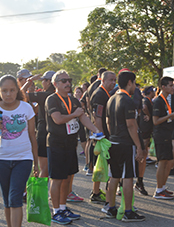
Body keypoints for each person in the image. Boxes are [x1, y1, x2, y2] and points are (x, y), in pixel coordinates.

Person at [45, 70, 100, 225]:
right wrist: (74, 113)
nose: (68, 83)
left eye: (69, 80)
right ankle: (56, 211)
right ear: (55, 84)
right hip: (56, 144)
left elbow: (82, 116)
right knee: (57, 179)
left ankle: (63, 208)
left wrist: (96, 130)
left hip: (70, 144)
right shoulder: (52, 99)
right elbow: (58, 119)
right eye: (63, 81)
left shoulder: (73, 100)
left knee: (67, 178)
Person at [0, 74, 39, 227]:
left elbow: (33, 136)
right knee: (7, 200)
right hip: (0, 159)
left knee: (15, 197)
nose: (8, 94)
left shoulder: (26, 107)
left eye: (12, 90)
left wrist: (36, 163)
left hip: (23, 158)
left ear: (17, 90)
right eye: (4, 90)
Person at [106, 70, 145, 222]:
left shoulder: (111, 98)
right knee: (128, 176)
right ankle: (128, 211)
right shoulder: (127, 100)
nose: (135, 86)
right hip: (125, 143)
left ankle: (110, 208)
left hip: (114, 141)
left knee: (114, 176)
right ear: (129, 82)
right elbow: (131, 125)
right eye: (134, 83)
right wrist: (139, 147)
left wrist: (113, 135)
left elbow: (108, 122)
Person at [21, 71, 55, 178]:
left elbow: (20, 95)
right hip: (56, 134)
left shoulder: (43, 95)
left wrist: (29, 81)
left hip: (43, 133)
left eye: (43, 80)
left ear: (49, 82)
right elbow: (36, 110)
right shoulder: (58, 95)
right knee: (52, 169)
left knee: (44, 169)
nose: (42, 83)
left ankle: (40, 194)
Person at [89, 71, 116, 207]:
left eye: (115, 80)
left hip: (103, 135)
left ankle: (96, 192)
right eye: (111, 80)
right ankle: (98, 193)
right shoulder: (100, 94)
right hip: (102, 137)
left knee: (100, 165)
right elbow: (97, 117)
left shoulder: (105, 93)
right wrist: (100, 136)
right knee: (103, 166)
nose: (113, 82)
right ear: (103, 80)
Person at [152, 76, 174, 200]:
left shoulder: (165, 99)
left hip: (167, 133)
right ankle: (158, 190)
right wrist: (171, 115)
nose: (173, 87)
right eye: (170, 85)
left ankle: (162, 187)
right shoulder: (158, 101)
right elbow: (155, 121)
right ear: (163, 87)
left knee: (169, 161)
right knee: (162, 162)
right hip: (161, 134)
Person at [135, 86, 155, 196]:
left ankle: (139, 181)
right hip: (139, 130)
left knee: (143, 153)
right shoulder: (144, 99)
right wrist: (148, 115)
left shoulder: (139, 97)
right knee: (141, 153)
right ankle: (122, 185)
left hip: (141, 129)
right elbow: (143, 107)